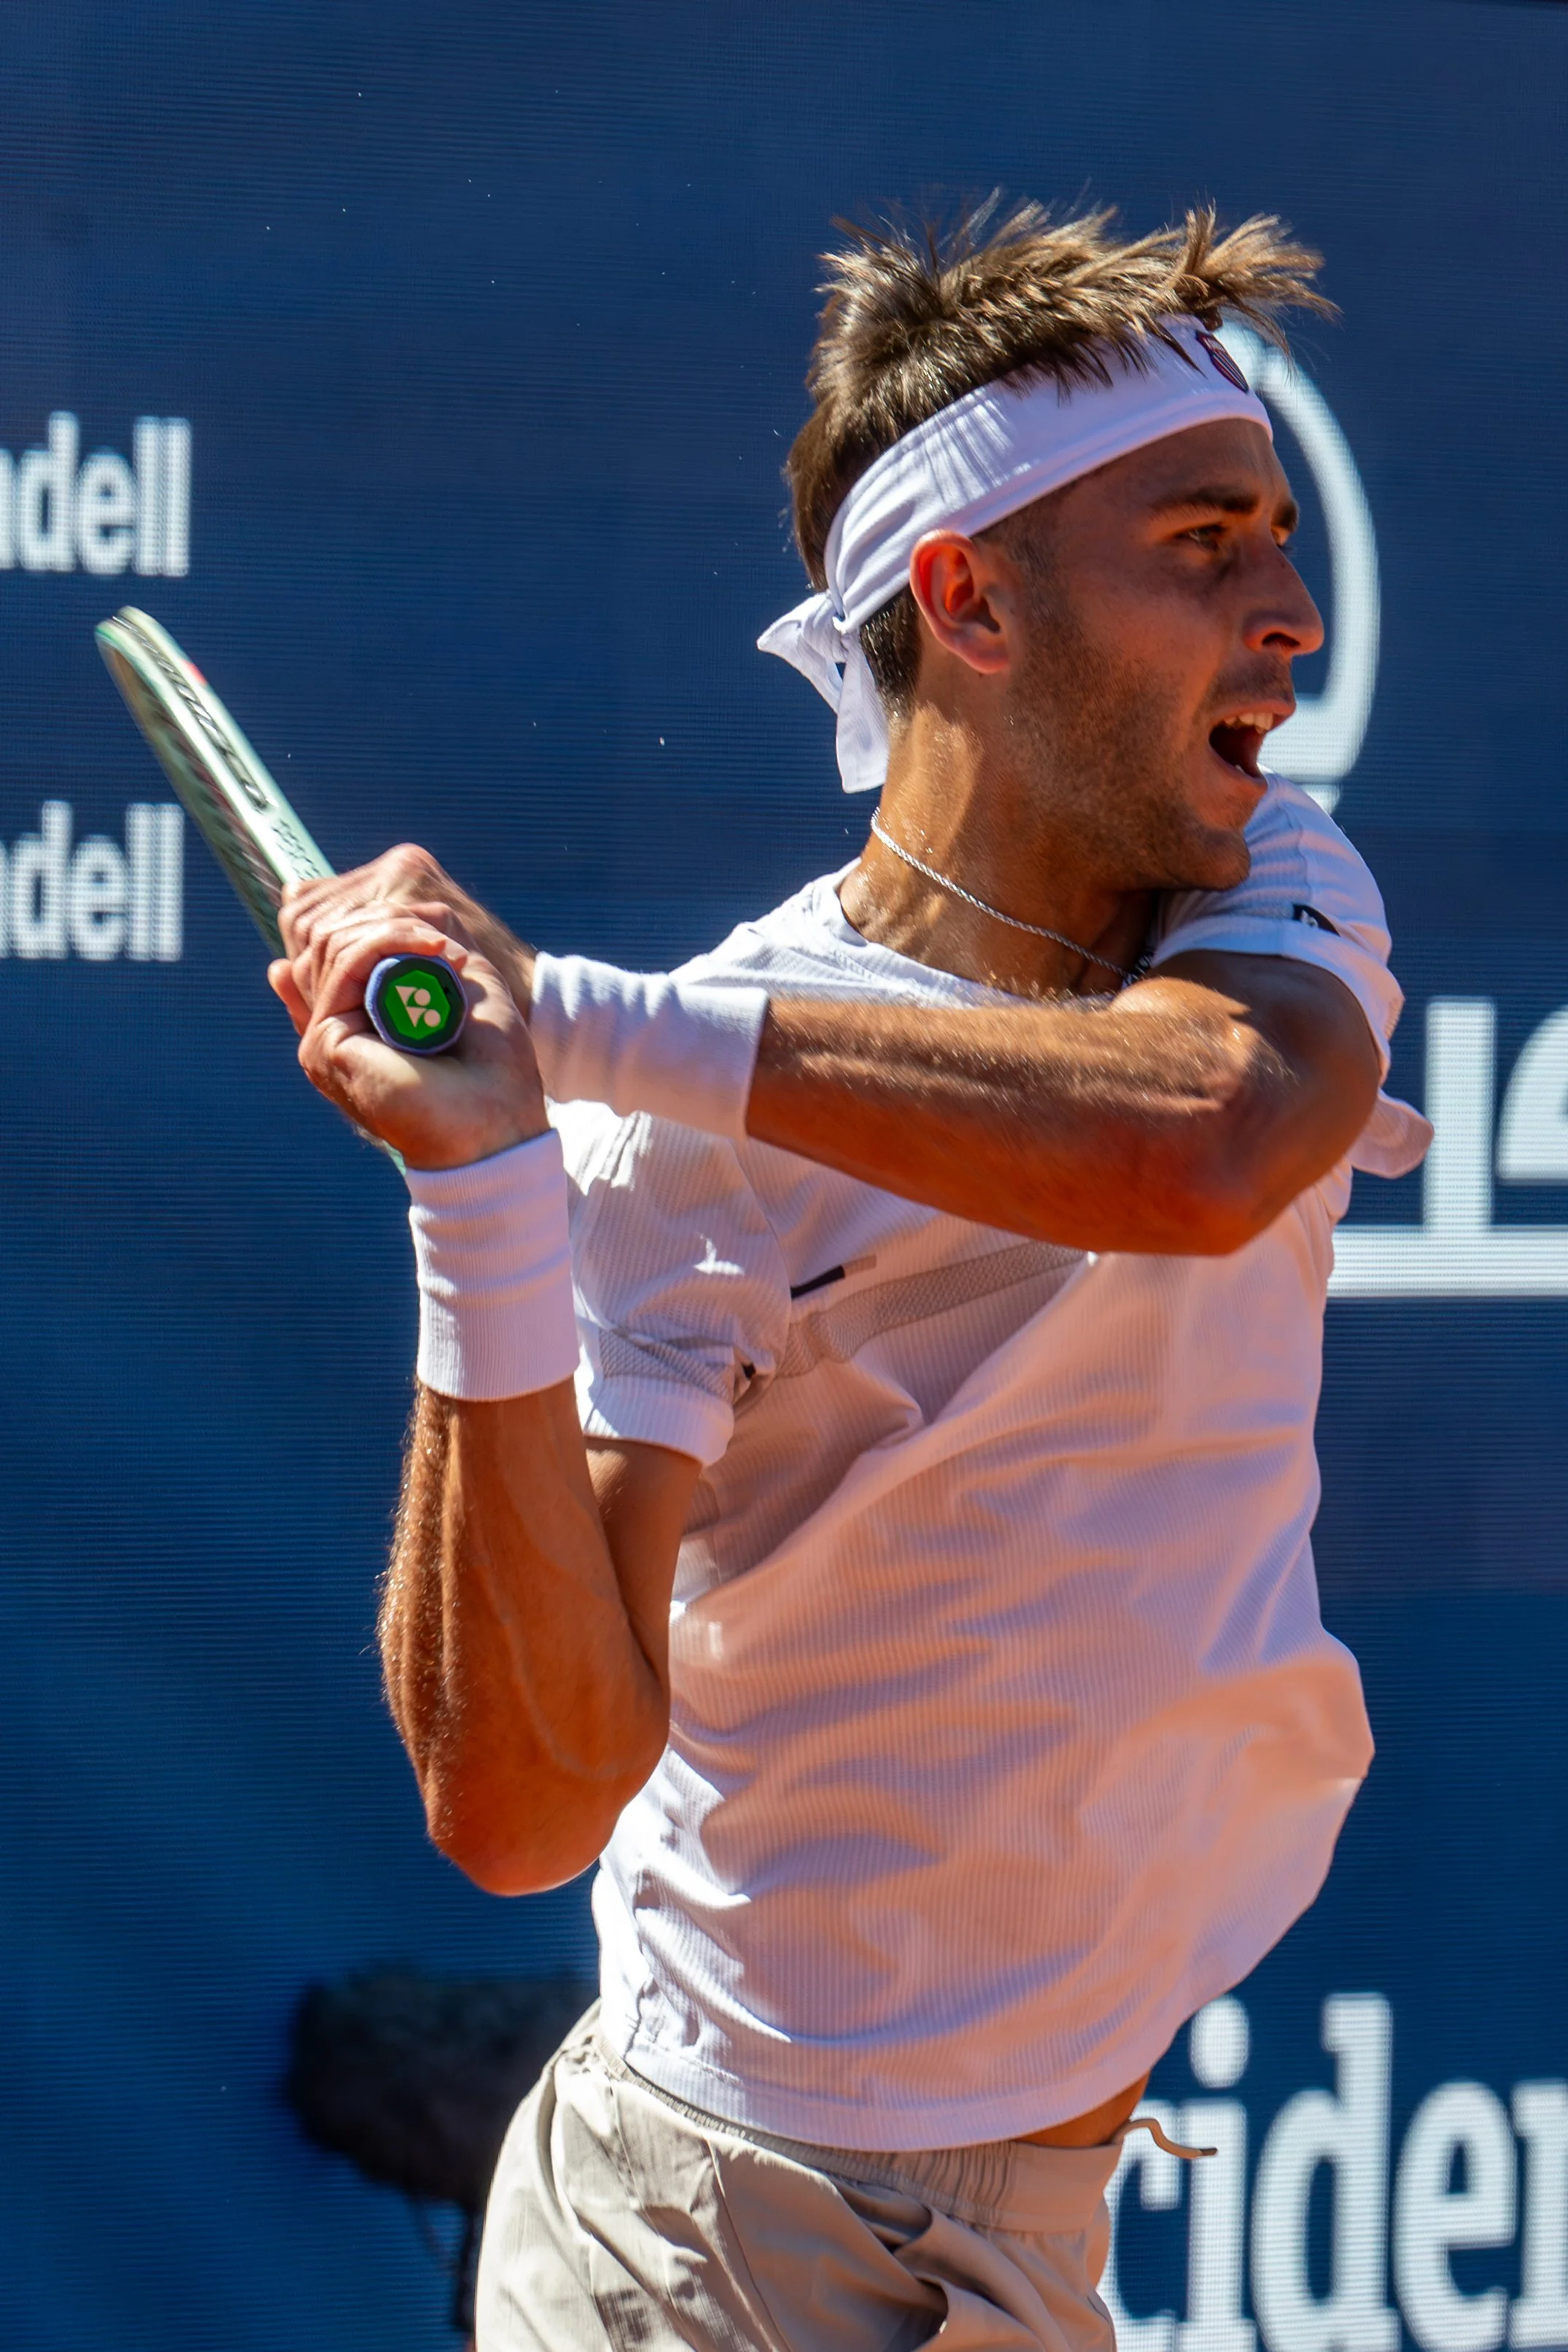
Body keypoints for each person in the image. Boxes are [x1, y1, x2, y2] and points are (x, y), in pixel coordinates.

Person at [273, 202, 1429, 2352]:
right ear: (965, 601)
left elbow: (1193, 1146)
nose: (1287, 614)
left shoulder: (1269, 886)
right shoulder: (669, 1138)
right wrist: (489, 1193)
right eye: (1202, 541)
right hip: (705, 2254)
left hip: (1025, 2232)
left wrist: (582, 1026)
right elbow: (520, 1811)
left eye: (1279, 536)